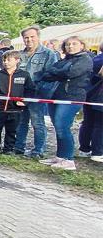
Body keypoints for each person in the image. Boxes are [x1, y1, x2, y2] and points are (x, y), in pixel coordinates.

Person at [40, 36, 96, 170]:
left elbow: (71, 73)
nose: (70, 47)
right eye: (67, 44)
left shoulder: (85, 60)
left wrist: (57, 72)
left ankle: (69, 159)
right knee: (58, 127)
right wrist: (59, 72)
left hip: (72, 97)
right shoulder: (64, 60)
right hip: (56, 95)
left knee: (63, 127)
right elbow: (47, 74)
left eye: (74, 44)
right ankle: (60, 156)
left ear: (82, 45)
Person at [14, 26, 59, 158]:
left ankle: (38, 150)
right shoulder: (20, 55)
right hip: (21, 94)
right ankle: (18, 147)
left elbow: (51, 75)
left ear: (38, 37)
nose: (29, 40)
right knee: (21, 122)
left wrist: (41, 94)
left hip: (37, 95)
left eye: (32, 37)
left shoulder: (48, 54)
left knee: (37, 123)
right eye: (26, 37)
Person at [0, 50, 36, 154]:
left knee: (12, 131)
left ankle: (8, 149)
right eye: (4, 60)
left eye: (9, 60)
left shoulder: (24, 75)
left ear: (17, 60)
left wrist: (25, 102)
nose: (5, 62)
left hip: (15, 109)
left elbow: (30, 90)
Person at [77, 45, 103, 162]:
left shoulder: (94, 59)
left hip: (88, 94)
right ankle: (97, 152)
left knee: (88, 122)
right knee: (100, 125)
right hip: (99, 97)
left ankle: (84, 149)